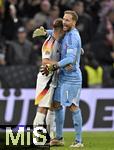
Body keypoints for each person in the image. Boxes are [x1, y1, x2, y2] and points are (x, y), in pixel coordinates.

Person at [40, 10, 84, 148]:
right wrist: (45, 32)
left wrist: (55, 66)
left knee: (72, 106)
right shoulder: (66, 33)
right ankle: (59, 138)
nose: (64, 22)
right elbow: (56, 33)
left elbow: (70, 58)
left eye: (68, 20)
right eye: (64, 19)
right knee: (56, 105)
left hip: (71, 78)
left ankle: (78, 141)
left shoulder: (72, 37)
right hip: (63, 75)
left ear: (74, 22)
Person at [33, 18, 65, 139]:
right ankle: (37, 137)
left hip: (55, 77)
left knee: (52, 107)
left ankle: (51, 136)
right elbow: (45, 61)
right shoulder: (49, 43)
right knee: (43, 107)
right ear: (60, 30)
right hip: (46, 78)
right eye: (64, 30)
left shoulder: (58, 40)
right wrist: (61, 64)